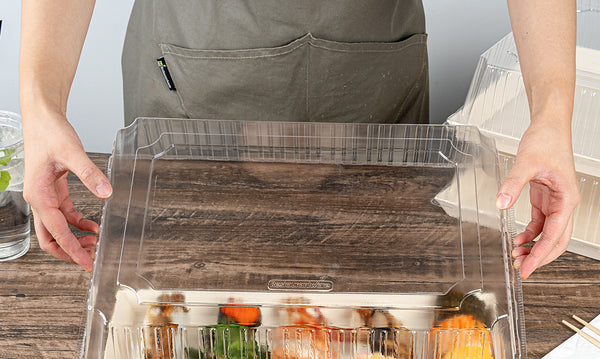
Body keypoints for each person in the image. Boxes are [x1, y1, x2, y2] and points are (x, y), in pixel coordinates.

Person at [19, 0, 580, 278]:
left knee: (381, 304)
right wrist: (41, 105)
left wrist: (552, 117)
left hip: (372, 69)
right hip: (189, 69)